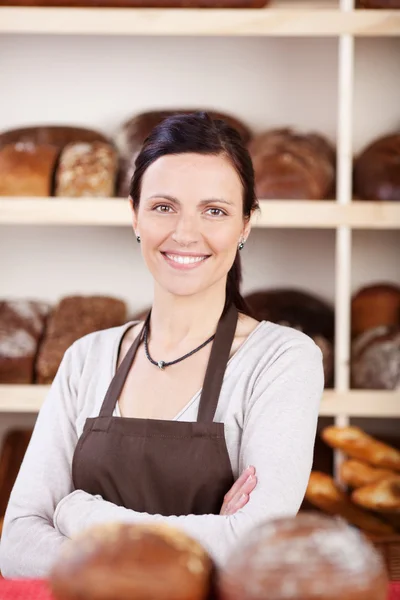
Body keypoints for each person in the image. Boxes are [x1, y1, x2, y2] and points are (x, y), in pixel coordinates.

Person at [0, 112, 324, 578]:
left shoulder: (281, 359)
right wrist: (208, 535)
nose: (185, 233)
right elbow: (16, 545)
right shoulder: (86, 359)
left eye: (215, 210)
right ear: (134, 214)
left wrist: (80, 515)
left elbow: (253, 545)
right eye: (163, 206)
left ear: (246, 224)